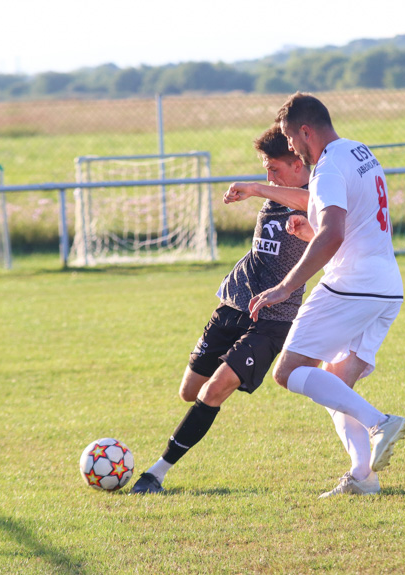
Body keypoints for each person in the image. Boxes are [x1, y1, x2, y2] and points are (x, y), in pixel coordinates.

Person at [224, 92, 405, 498]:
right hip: (386, 288)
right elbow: (346, 224)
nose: (290, 147)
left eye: (291, 139)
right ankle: (363, 477)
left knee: (288, 372)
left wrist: (285, 286)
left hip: (351, 286)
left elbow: (333, 232)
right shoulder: (360, 153)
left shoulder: (326, 168)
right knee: (334, 386)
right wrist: (304, 228)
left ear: (306, 131)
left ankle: (381, 423)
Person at [130, 125, 311, 494]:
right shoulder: (277, 193)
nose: (268, 176)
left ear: (298, 163)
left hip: (273, 317)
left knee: (214, 390)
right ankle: (176, 447)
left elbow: (314, 204)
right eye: (265, 169)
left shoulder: (318, 193)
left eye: (274, 168)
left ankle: (155, 475)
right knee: (189, 391)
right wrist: (263, 186)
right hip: (233, 302)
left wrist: (257, 188)